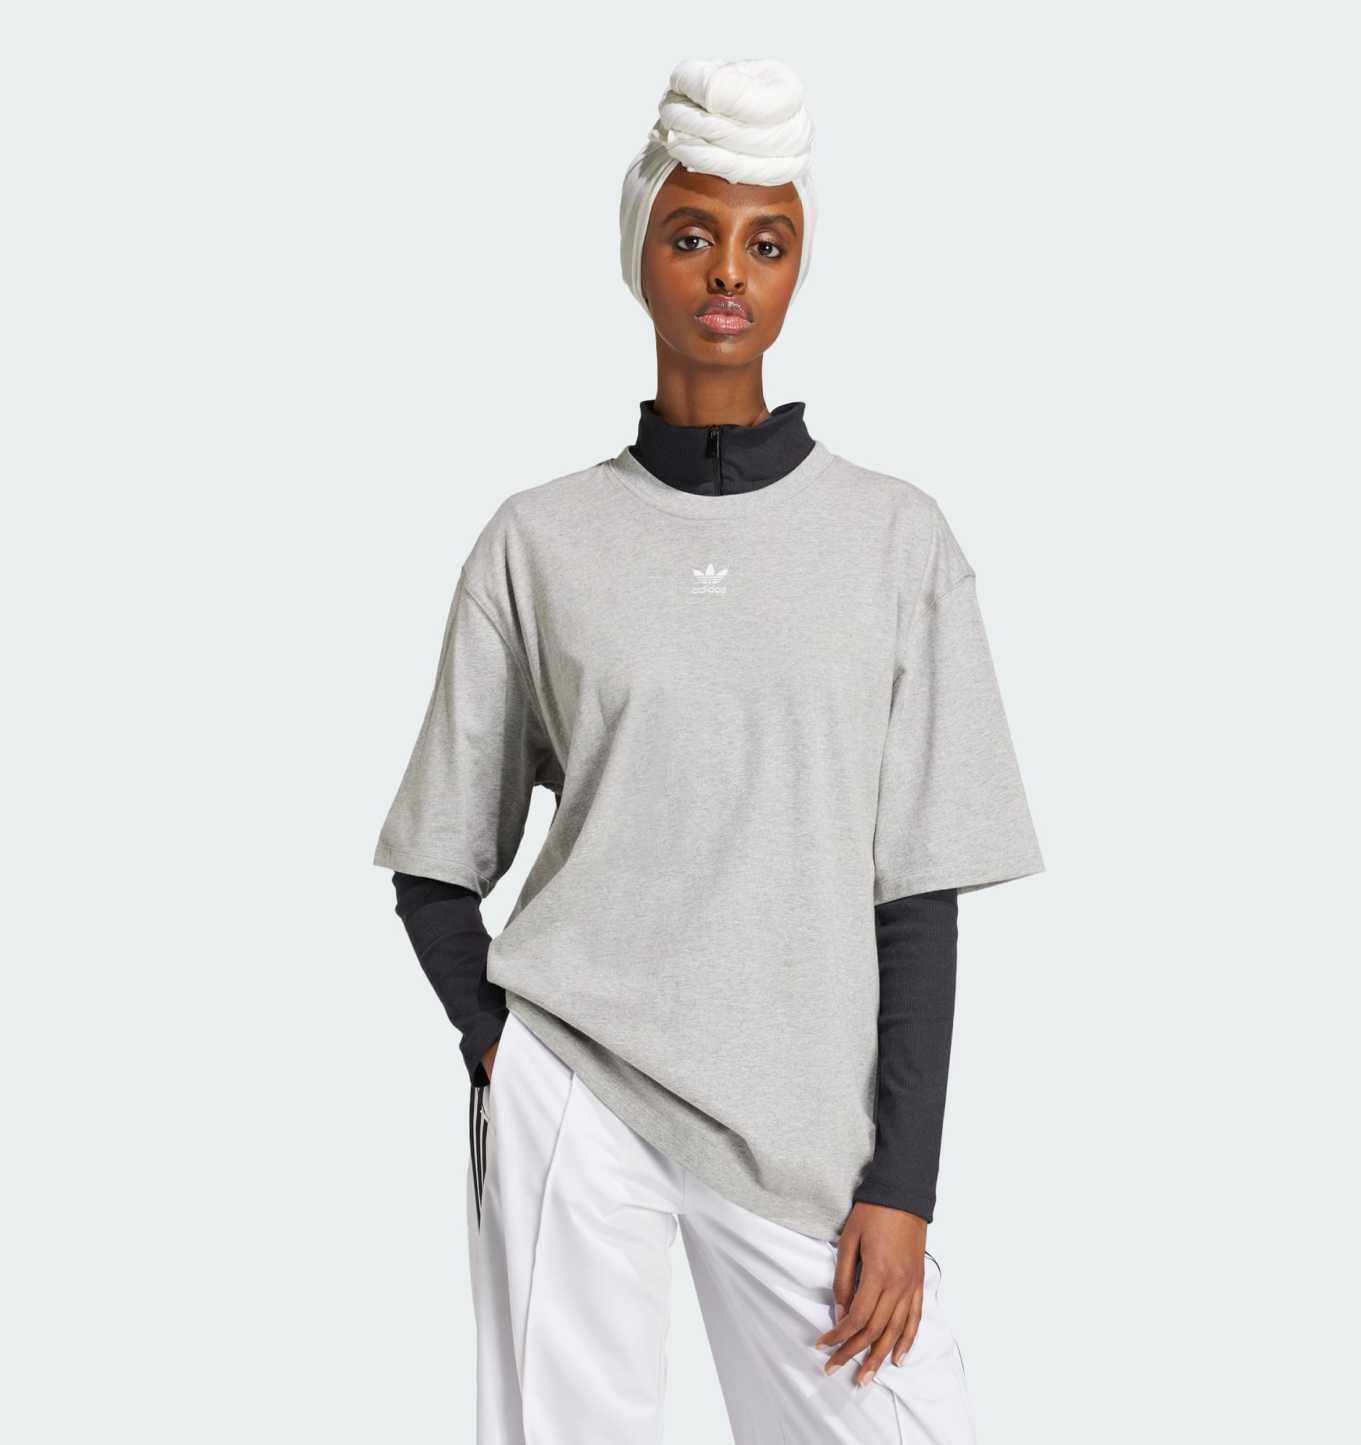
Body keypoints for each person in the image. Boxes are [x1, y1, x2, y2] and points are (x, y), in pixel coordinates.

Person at [372, 57, 1044, 1444]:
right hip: (576, 1087)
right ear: (641, 253)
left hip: (808, 1134)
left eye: (766, 242)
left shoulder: (895, 540)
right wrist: (502, 1053)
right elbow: (438, 857)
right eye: (692, 234)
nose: (728, 272)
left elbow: (917, 893)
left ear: (797, 270)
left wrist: (902, 1186)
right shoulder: (538, 541)